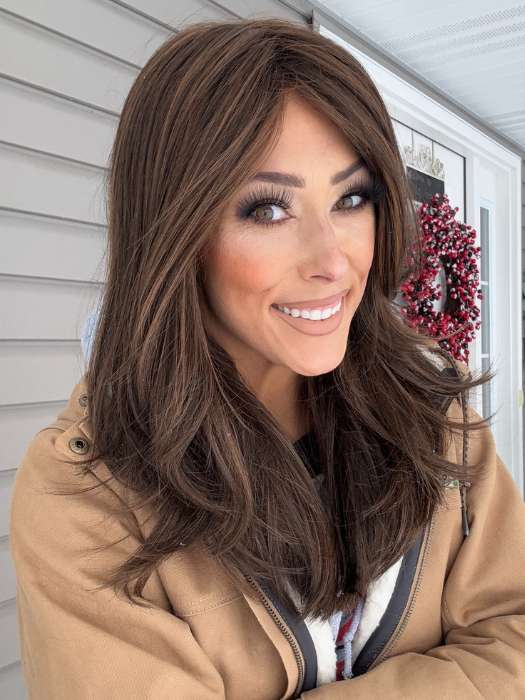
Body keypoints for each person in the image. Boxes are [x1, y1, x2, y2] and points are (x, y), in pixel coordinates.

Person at [9, 16, 525, 699]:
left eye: (351, 198)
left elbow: (513, 634)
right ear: (176, 232)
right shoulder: (88, 492)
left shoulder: (436, 414)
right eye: (267, 210)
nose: (332, 261)